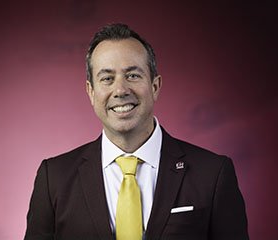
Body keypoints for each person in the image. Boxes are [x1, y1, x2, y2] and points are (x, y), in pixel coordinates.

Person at [24, 23, 249, 240]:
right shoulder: (53, 178)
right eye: (107, 79)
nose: (120, 90)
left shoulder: (212, 174)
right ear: (91, 92)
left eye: (133, 75)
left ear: (155, 86)